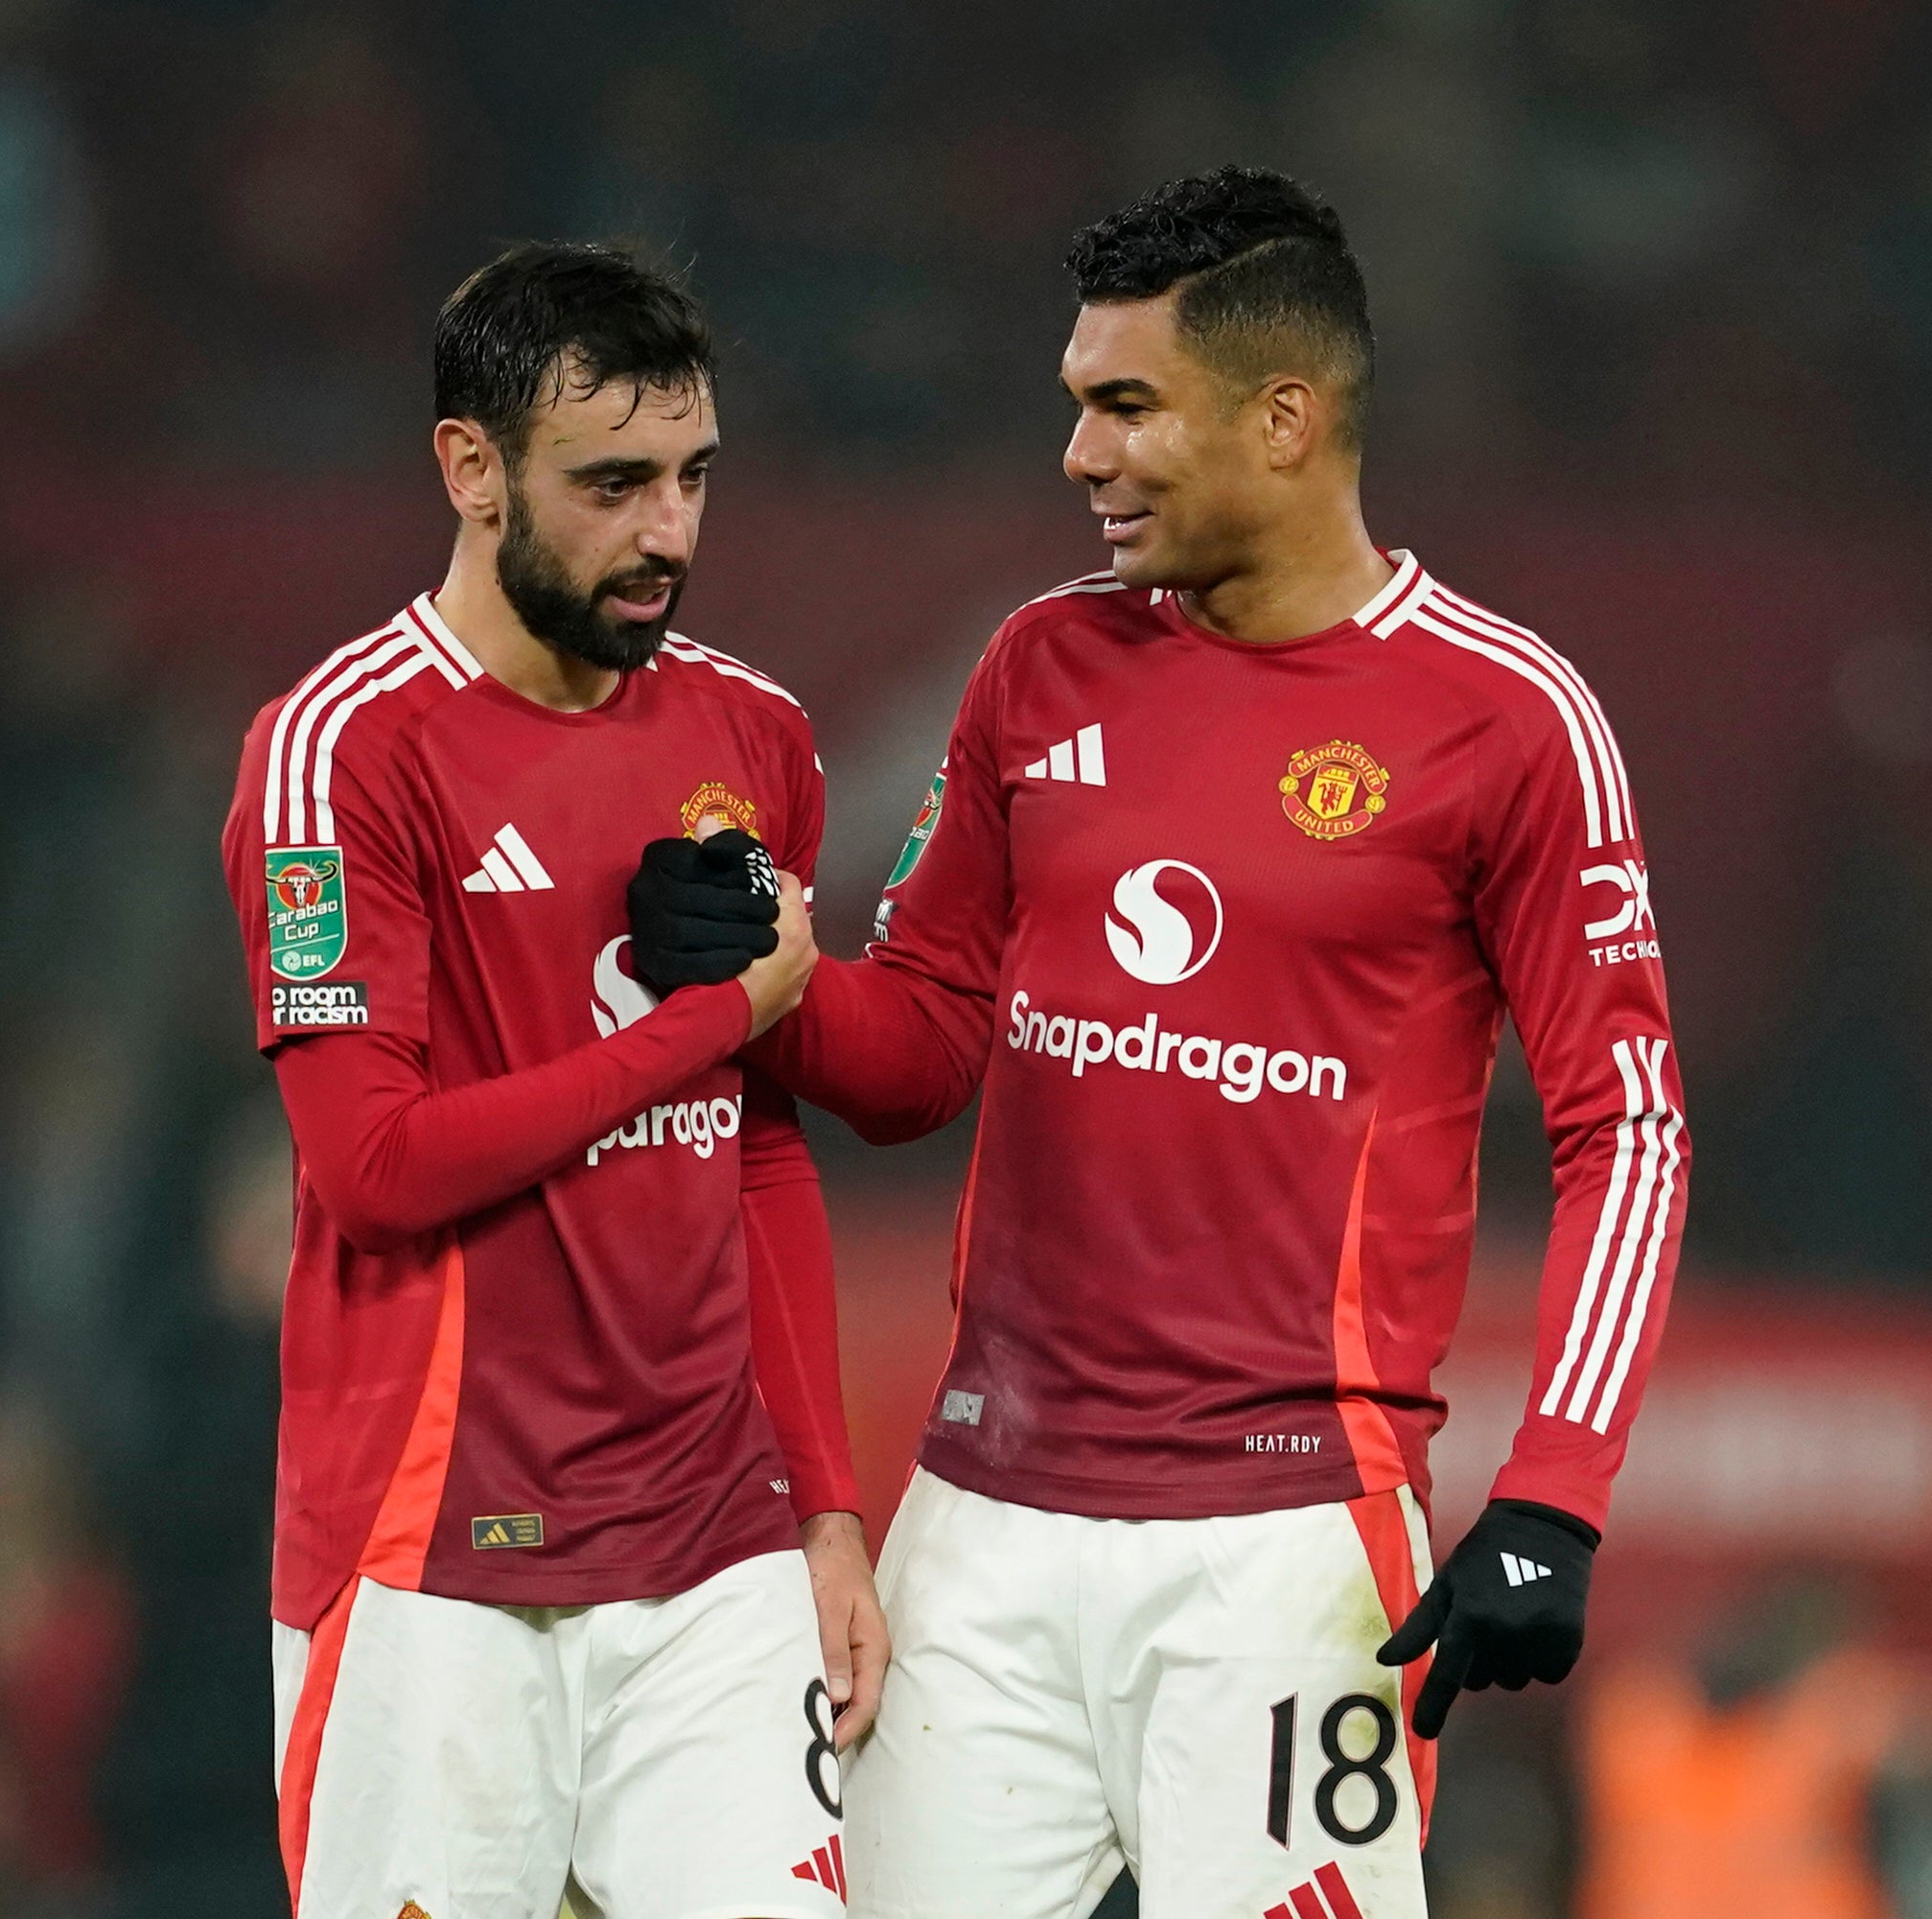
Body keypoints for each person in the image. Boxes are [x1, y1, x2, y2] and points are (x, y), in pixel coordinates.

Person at [629, 167, 1689, 1916]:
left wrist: (1556, 1491)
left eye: (1124, 405)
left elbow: (1623, 1126)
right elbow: (920, 1057)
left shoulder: (1506, 719)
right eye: (1073, 406)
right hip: (980, 1522)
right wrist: (767, 976)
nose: (1080, 455)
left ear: (1283, 418)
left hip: (1282, 1546)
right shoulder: (1038, 667)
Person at [218, 242, 882, 1919]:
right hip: (433, 1562)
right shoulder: (340, 752)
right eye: (611, 483)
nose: (666, 533)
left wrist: (826, 1508)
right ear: (467, 465)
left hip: (713, 1558)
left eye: (691, 477)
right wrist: (702, 1022)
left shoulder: (752, 735)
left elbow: (757, 1158)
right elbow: (371, 1161)